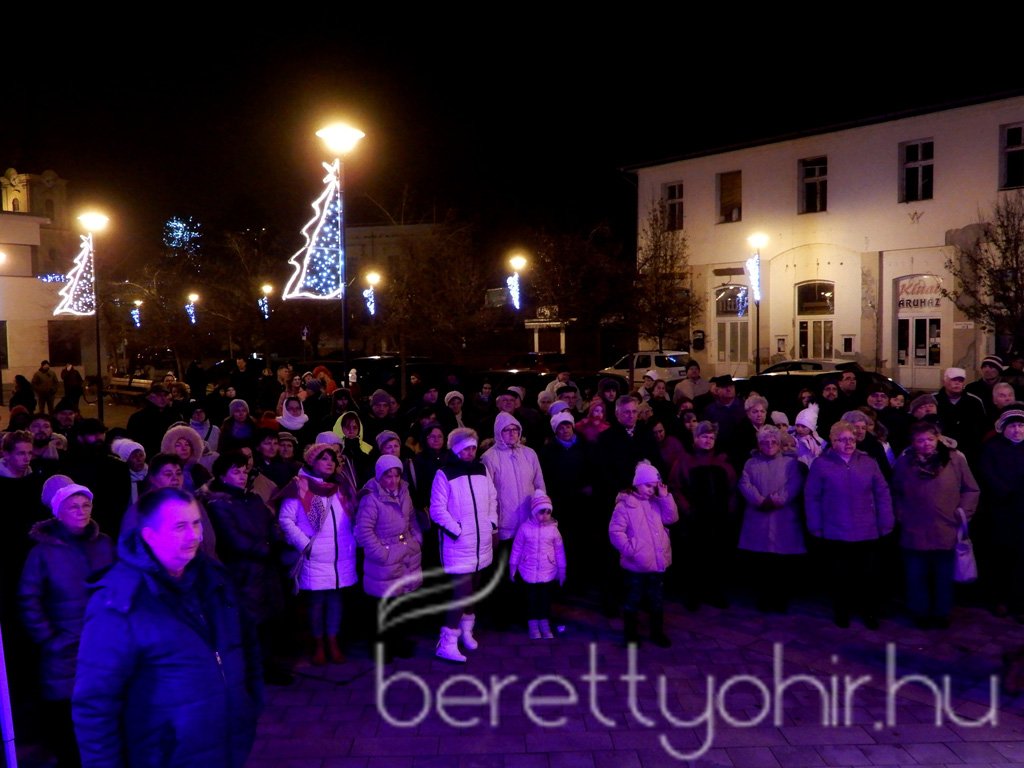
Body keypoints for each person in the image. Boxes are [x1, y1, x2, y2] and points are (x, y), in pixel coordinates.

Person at [72, 487, 263, 768]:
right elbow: (95, 703)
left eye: (197, 523)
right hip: (164, 757)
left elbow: (246, 644)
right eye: (180, 526)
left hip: (228, 746)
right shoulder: (119, 602)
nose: (194, 535)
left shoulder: (214, 578)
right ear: (150, 536)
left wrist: (250, 703)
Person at [19, 482, 114, 768]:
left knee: (102, 710)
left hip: (102, 643)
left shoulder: (104, 543)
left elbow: (118, 585)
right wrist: (49, 638)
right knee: (65, 715)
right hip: (64, 647)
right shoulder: (43, 552)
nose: (82, 511)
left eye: (86, 505)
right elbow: (28, 597)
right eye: (74, 506)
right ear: (58, 512)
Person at [198, 450, 290, 685]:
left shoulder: (252, 498)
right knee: (250, 623)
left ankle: (268, 666)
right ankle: (252, 671)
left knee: (269, 620)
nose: (241, 476)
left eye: (244, 471)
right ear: (222, 475)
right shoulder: (219, 503)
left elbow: (273, 524)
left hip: (265, 569)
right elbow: (233, 539)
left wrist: (275, 542)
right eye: (235, 472)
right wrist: (266, 549)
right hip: (243, 572)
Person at [891, 419, 980, 629]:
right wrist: (901, 513)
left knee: (943, 576)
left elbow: (971, 489)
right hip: (914, 528)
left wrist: (963, 513)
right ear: (913, 442)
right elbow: (895, 490)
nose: (926, 444)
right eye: (920, 440)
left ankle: (942, 613)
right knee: (915, 575)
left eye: (930, 439)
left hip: (946, 527)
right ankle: (919, 611)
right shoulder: (905, 461)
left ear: (938, 438)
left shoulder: (954, 460)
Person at [804, 420, 894, 629]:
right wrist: (815, 524)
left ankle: (869, 612)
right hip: (836, 530)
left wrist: (886, 520)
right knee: (840, 575)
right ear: (833, 441)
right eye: (843, 439)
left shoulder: (868, 462)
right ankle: (841, 611)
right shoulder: (821, 464)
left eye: (851, 439)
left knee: (868, 575)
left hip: (867, 529)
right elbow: (812, 497)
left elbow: (882, 492)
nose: (848, 443)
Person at [278, 443, 358, 665]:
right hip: (315, 556)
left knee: (335, 600)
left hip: (341, 555)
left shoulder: (341, 486)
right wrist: (305, 544)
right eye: (324, 458)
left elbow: (351, 517)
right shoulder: (301, 487)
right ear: (312, 462)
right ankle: (319, 644)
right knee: (316, 602)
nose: (329, 462)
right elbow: (286, 519)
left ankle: (333, 641)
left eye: (332, 459)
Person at [429, 427, 498, 662]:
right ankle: (446, 641)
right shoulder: (444, 474)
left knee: (473, 591)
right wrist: (457, 531)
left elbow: (492, 497)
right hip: (458, 545)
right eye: (466, 448)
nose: (470, 452)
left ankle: (467, 631)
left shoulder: (482, 469)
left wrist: (491, 523)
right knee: (461, 593)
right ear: (457, 450)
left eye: (472, 448)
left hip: (482, 543)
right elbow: (437, 510)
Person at [355, 454, 423, 661]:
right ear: (379, 476)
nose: (392, 481)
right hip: (385, 558)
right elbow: (363, 531)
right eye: (387, 476)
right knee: (383, 607)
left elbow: (411, 517)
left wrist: (416, 539)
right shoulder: (371, 498)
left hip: (406, 555)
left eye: (396, 475)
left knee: (401, 604)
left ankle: (398, 642)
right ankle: (380, 648)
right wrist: (383, 554)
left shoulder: (404, 492)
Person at [667, 421, 737, 610]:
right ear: (696, 438)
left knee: (717, 556)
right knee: (694, 557)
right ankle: (694, 594)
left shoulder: (722, 461)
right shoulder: (684, 461)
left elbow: (732, 488)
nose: (708, 440)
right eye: (704, 436)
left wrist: (730, 509)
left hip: (718, 517)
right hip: (695, 518)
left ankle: (715, 591)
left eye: (712, 437)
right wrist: (687, 509)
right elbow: (675, 487)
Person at [608, 460, 679, 647]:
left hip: (657, 561)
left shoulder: (657, 502)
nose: (651, 490)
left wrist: (665, 497)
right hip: (636, 564)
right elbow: (616, 532)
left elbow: (671, 518)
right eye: (648, 485)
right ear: (638, 483)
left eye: (654, 486)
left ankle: (657, 632)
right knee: (633, 598)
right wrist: (631, 550)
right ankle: (630, 634)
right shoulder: (625, 505)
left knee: (656, 599)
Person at [737, 424, 807, 613]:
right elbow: (744, 483)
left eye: (773, 441)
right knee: (762, 562)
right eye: (765, 442)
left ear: (779, 443)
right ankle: (764, 597)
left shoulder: (790, 463)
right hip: (758, 518)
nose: (769, 444)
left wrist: (777, 500)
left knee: (781, 564)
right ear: (759, 444)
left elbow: (794, 484)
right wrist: (759, 501)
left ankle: (780, 598)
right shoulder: (750, 463)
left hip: (783, 518)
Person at [976, 403, 1024, 620]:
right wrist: (1006, 490)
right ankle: (1000, 599)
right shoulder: (992, 447)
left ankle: (1019, 602)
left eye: (1021, 425)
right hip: (1000, 511)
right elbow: (987, 474)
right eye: (1012, 426)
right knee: (1000, 558)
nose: (1017, 430)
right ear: (1003, 427)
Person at [509, 490, 566, 640]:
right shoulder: (525, 529)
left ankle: (544, 622)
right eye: (541, 512)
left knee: (545, 598)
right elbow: (517, 548)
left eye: (548, 512)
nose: (545, 515)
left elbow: (559, 551)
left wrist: (562, 569)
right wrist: (513, 566)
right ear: (534, 512)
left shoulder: (553, 530)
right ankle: (533, 623)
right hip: (529, 570)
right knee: (532, 599)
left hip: (547, 571)